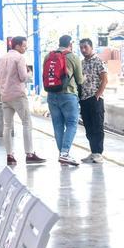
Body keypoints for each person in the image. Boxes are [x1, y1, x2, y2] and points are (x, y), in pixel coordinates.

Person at [0, 36, 44, 165]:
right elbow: (23, 77)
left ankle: (9, 155)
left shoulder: (1, 59)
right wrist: (29, 73)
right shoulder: (19, 58)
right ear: (18, 46)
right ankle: (29, 154)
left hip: (5, 97)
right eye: (24, 46)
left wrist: (3, 87)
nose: (25, 48)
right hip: (18, 96)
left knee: (7, 126)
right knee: (26, 123)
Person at [44, 35, 84, 167]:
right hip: (68, 95)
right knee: (72, 123)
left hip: (51, 94)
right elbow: (79, 80)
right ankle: (65, 154)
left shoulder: (48, 56)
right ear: (70, 44)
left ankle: (62, 154)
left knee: (58, 125)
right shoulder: (73, 57)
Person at [78, 38, 108, 164]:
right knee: (89, 127)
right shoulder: (81, 63)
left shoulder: (98, 61)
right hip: (84, 99)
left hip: (95, 99)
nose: (83, 50)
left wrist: (97, 95)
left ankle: (98, 154)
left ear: (91, 47)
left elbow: (104, 79)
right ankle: (93, 152)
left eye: (86, 47)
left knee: (97, 126)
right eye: (81, 48)